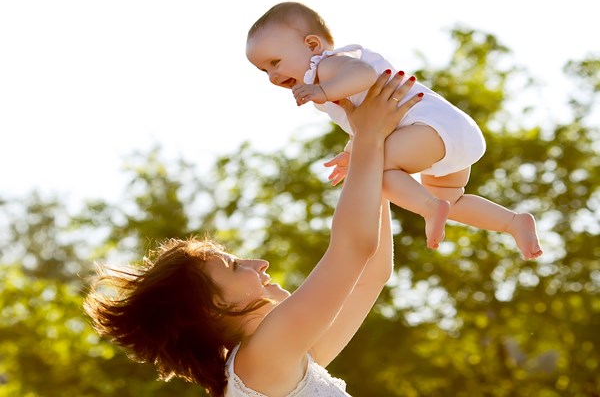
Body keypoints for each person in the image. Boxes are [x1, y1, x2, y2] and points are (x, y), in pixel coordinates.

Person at [84, 72, 421, 396]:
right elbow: (354, 250)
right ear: (215, 305)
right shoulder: (264, 359)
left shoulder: (275, 362)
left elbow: (370, 274)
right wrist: (367, 139)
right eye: (233, 267)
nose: (258, 263)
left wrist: (370, 157)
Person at [246, 1, 543, 260]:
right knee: (451, 199)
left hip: (428, 129)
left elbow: (363, 76)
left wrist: (323, 90)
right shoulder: (328, 79)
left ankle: (429, 208)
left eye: (275, 62)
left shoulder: (328, 66)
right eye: (264, 70)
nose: (272, 75)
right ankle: (512, 222)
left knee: (373, 171)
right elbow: (366, 125)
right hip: (450, 131)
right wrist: (351, 152)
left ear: (312, 45)